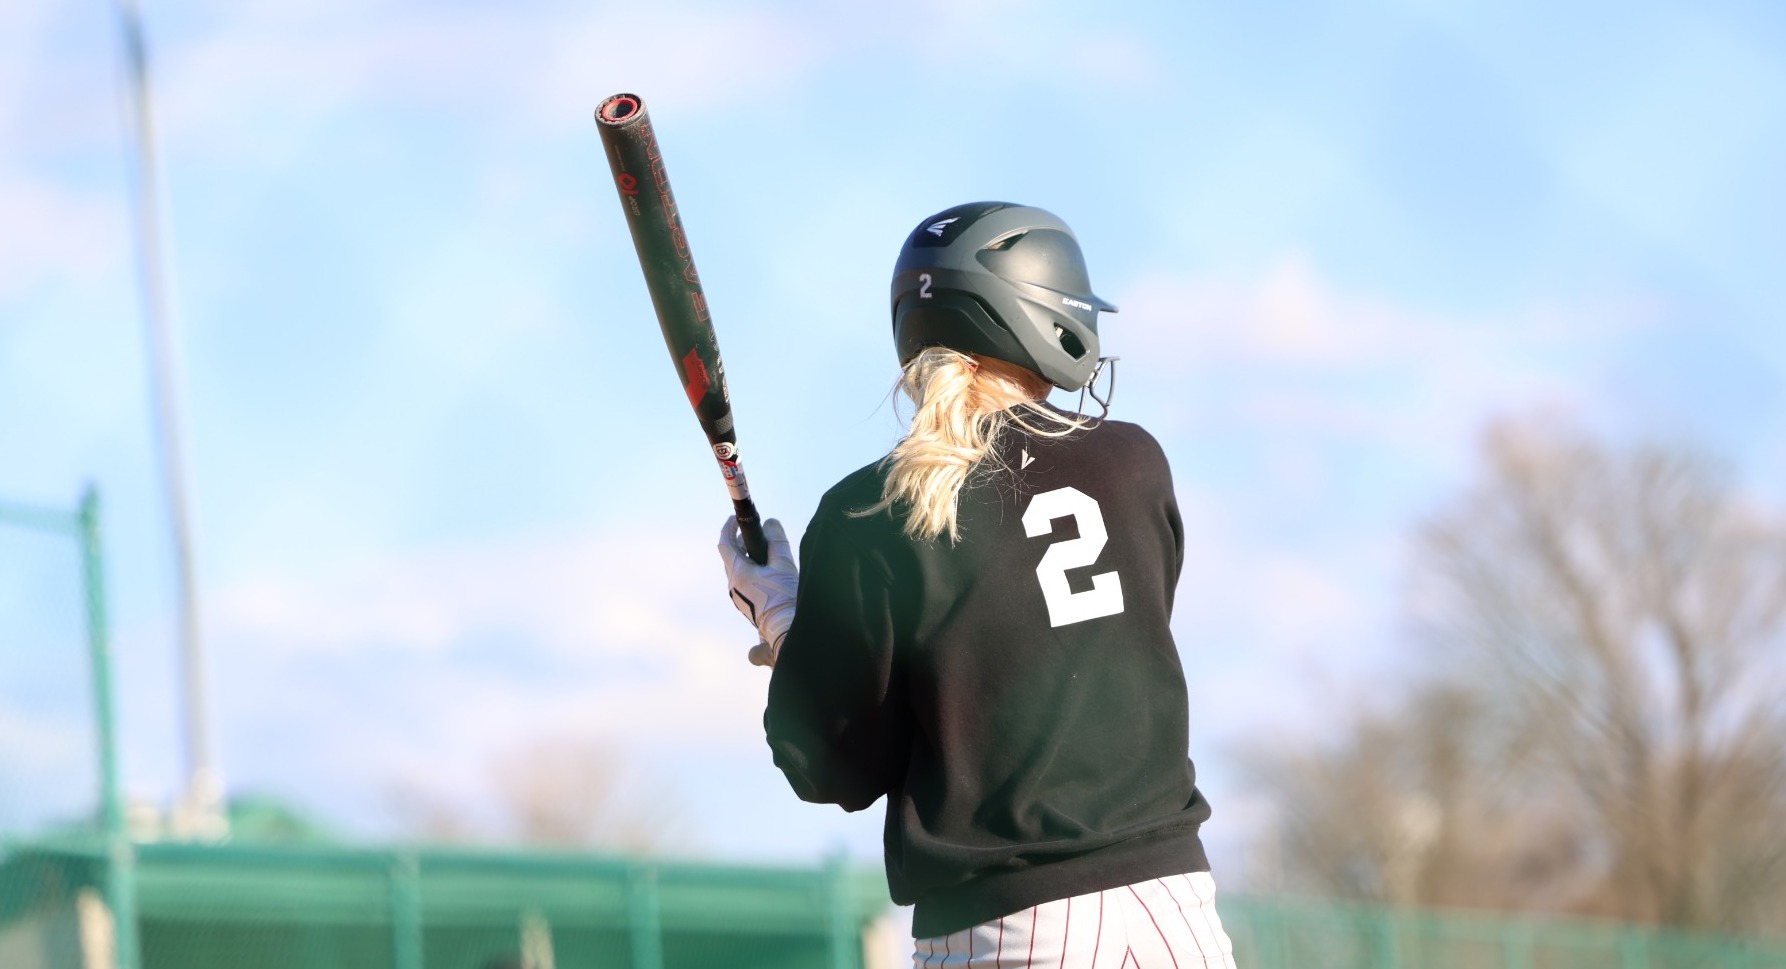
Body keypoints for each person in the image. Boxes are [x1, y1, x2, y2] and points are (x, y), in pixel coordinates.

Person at [718, 202, 1237, 967]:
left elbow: (832, 764)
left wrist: (786, 615)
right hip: (1175, 912)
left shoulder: (871, 511)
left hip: (1006, 930)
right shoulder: (1134, 465)